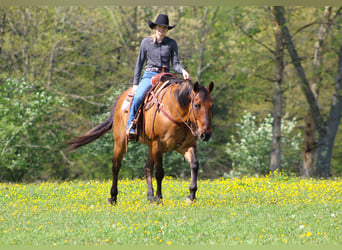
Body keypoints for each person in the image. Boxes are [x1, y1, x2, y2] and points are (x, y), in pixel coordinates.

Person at [126, 13, 190, 139]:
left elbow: (175, 64)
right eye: (160, 27)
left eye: (164, 28)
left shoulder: (172, 43)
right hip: (150, 74)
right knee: (138, 96)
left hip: (167, 76)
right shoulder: (146, 42)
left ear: (167, 30)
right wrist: (135, 84)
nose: (162, 30)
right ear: (155, 28)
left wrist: (182, 71)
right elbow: (139, 64)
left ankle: (185, 128)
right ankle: (131, 125)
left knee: (181, 96)